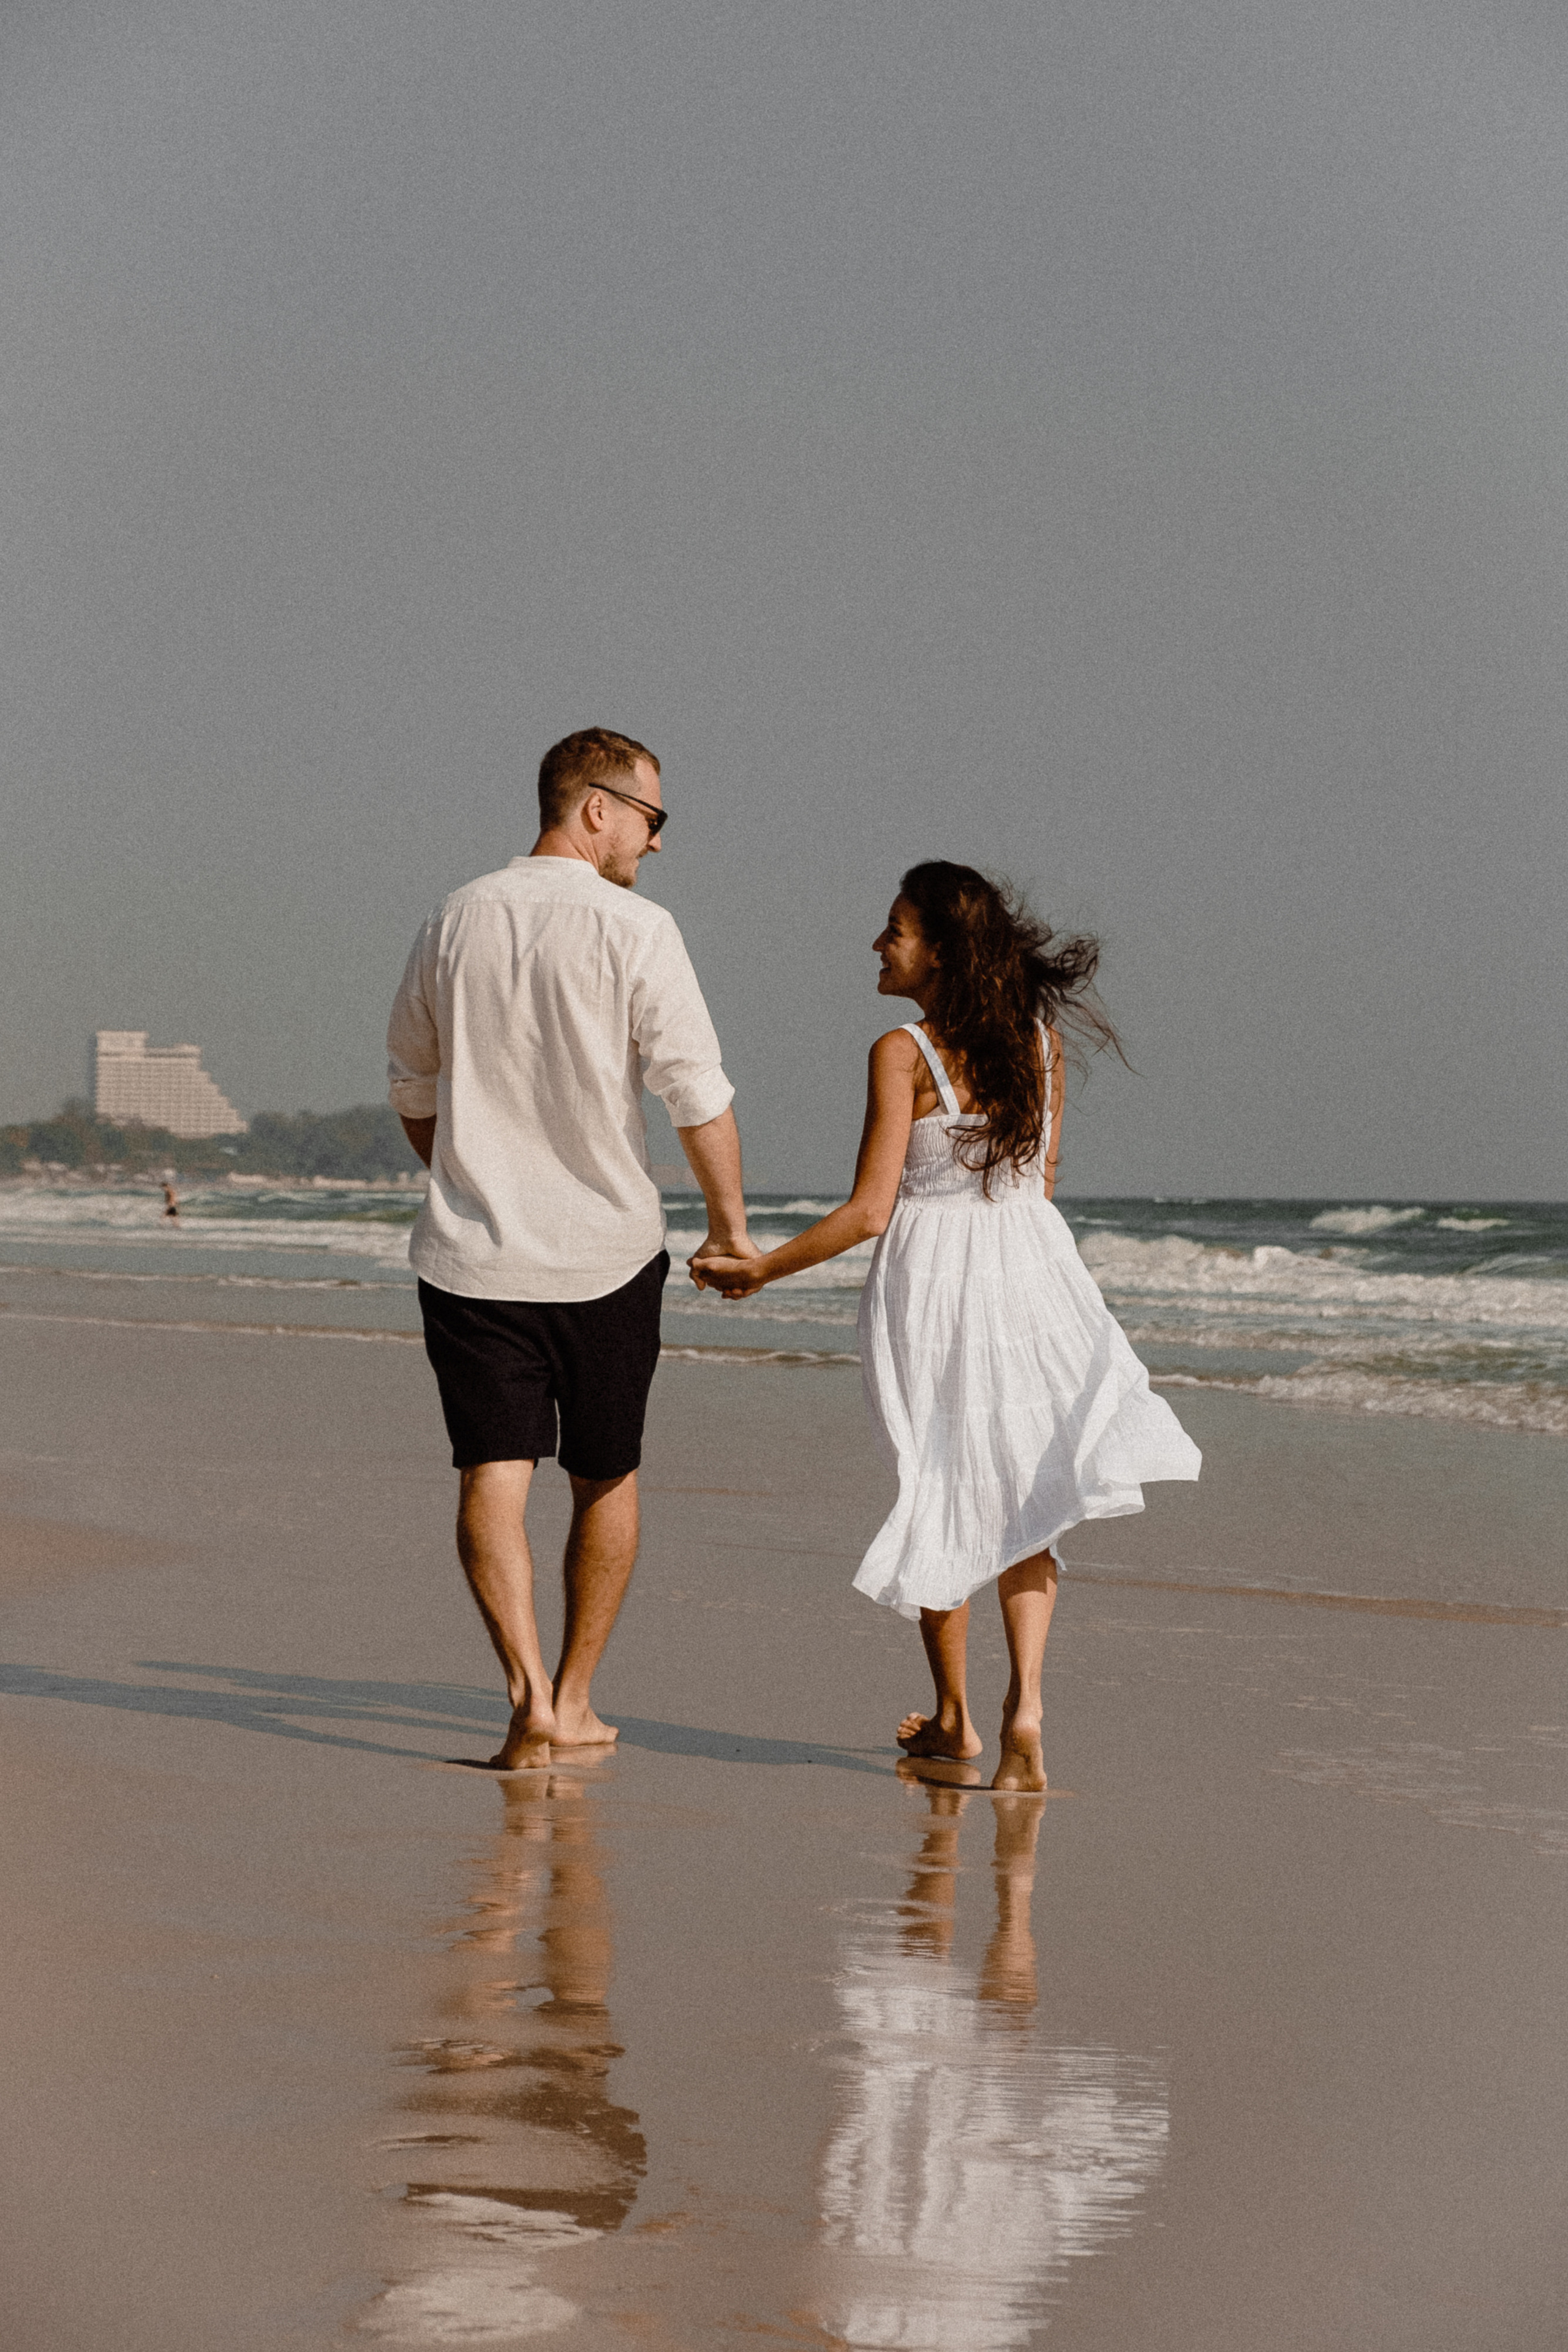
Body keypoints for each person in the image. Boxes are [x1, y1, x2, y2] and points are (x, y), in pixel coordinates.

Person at [695, 861, 1200, 1792]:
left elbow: (868, 1212)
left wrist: (762, 1268)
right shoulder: (1039, 1045)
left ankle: (957, 1718)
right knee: (1032, 1494)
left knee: (940, 1485)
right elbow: (1043, 1182)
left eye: (895, 930)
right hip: (1033, 1274)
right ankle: (1029, 1708)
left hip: (934, 1286)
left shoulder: (903, 1051)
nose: (879, 945)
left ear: (941, 951)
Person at [388, 727, 754, 1771]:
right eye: (651, 815)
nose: (655, 839)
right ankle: (579, 1697)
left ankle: (529, 1697)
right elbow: (699, 1095)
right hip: (605, 1254)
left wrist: (468, 1170)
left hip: (473, 1256)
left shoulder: (453, 917)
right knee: (606, 1475)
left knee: (491, 1473)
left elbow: (413, 1085)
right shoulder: (637, 929)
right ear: (594, 807)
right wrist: (729, 1234)